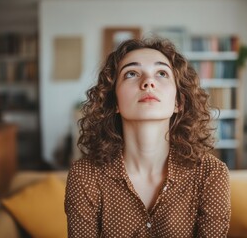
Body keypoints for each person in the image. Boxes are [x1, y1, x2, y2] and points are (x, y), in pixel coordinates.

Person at [64, 38, 231, 237]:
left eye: (161, 73)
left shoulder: (211, 174)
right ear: (114, 101)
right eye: (131, 74)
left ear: (178, 101)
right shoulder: (84, 175)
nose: (148, 82)